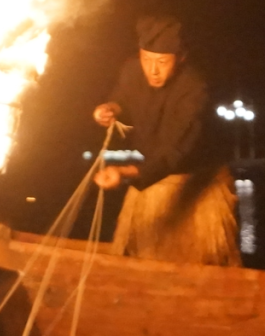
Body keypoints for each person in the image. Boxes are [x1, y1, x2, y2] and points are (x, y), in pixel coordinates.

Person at [92, 16, 241, 266]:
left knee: (202, 266)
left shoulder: (194, 88)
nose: (153, 70)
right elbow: (123, 98)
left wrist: (126, 172)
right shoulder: (131, 70)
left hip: (195, 185)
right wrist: (110, 108)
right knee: (137, 260)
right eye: (147, 59)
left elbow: (175, 150)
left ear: (180, 57)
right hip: (148, 184)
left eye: (162, 61)